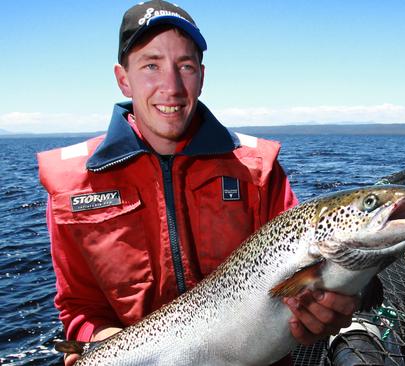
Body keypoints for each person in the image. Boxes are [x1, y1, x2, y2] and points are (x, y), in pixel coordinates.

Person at [37, 1, 358, 364]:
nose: (171, 87)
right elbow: (79, 307)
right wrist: (99, 340)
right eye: (151, 65)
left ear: (201, 77)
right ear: (123, 78)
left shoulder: (259, 170)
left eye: (185, 66)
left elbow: (304, 282)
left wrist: (325, 309)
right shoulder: (74, 184)